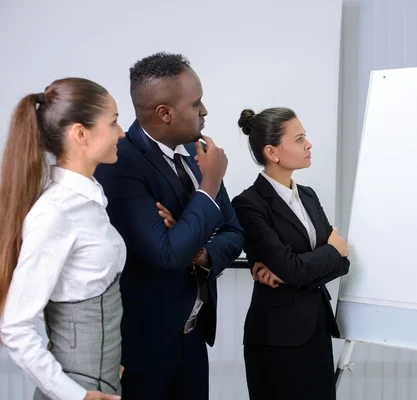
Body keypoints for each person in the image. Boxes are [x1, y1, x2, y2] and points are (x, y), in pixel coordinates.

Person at [94, 52, 244, 400]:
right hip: (143, 349)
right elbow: (166, 253)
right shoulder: (119, 162)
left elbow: (234, 232)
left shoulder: (198, 152)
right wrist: (209, 186)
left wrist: (201, 253)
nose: (205, 111)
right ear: (165, 113)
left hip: (192, 340)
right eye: (196, 104)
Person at [0, 78, 126, 400]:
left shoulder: (88, 202)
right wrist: (75, 394)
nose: (121, 133)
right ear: (81, 134)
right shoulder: (56, 213)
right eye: (113, 122)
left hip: (104, 384)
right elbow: (14, 328)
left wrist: (107, 362)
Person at [231, 107, 350, 400]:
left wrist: (295, 273)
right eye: (299, 139)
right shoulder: (249, 204)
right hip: (277, 340)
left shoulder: (308, 195)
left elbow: (341, 263)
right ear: (272, 152)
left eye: (305, 137)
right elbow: (322, 257)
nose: (308, 145)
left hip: (317, 332)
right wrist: (326, 254)